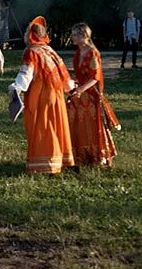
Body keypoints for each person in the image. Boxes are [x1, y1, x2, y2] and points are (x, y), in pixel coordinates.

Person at [10, 16, 75, 175]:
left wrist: (16, 87)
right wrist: (71, 89)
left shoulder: (31, 52)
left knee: (44, 128)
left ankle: (46, 164)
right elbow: (64, 75)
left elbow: (26, 74)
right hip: (57, 93)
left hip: (40, 95)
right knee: (56, 125)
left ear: (31, 34)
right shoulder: (49, 50)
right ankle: (60, 160)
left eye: (27, 31)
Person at [67, 23, 120, 167]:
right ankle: (78, 155)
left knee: (91, 121)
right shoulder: (78, 53)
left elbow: (95, 77)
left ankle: (97, 155)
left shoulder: (92, 53)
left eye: (75, 35)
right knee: (74, 119)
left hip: (91, 93)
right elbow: (79, 75)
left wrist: (81, 89)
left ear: (84, 35)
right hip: (80, 91)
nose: (72, 37)